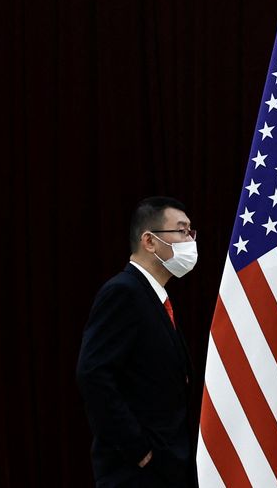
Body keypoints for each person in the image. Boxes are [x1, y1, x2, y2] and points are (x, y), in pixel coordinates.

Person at [77, 196, 198, 487]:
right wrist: (138, 449)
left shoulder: (157, 297)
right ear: (149, 241)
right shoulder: (124, 292)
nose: (190, 240)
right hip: (136, 472)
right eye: (181, 231)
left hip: (168, 466)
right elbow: (93, 374)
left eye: (191, 232)